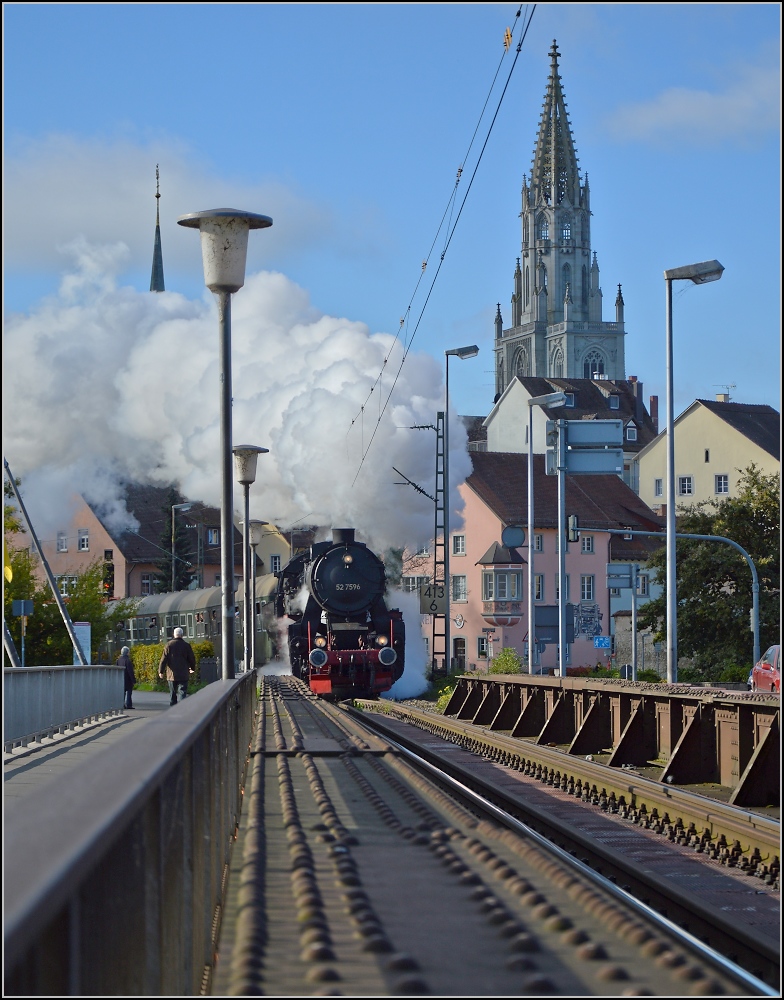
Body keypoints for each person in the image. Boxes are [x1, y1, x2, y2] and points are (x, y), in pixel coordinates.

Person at [158, 626, 196, 706]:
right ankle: (182, 708)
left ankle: (173, 709)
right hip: (183, 673)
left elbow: (163, 659)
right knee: (182, 692)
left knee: (173, 693)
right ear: (182, 635)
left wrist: (161, 671)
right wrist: (192, 668)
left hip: (171, 674)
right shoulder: (186, 646)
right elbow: (191, 658)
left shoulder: (168, 645)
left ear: (174, 635)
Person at [118, 645, 135, 709]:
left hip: (121, 678)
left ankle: (122, 704)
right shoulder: (127, 660)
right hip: (127, 679)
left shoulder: (119, 660)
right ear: (127, 652)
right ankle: (129, 704)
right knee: (129, 692)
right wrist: (133, 680)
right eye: (129, 652)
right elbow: (130, 671)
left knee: (122, 693)